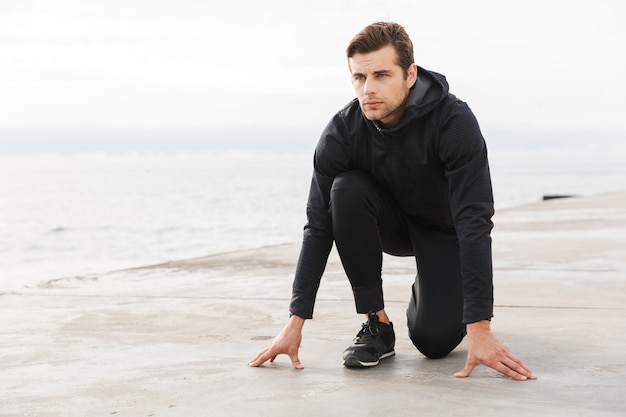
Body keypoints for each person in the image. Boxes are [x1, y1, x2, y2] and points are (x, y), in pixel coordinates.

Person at [248, 21, 536, 380]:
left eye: (382, 75)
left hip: (443, 232)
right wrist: (295, 322)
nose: (368, 89)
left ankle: (436, 288)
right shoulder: (342, 132)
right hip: (388, 224)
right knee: (345, 189)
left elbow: (473, 220)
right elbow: (318, 225)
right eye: (359, 77)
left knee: (433, 342)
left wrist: (479, 328)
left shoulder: (454, 122)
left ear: (410, 74)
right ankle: (376, 323)